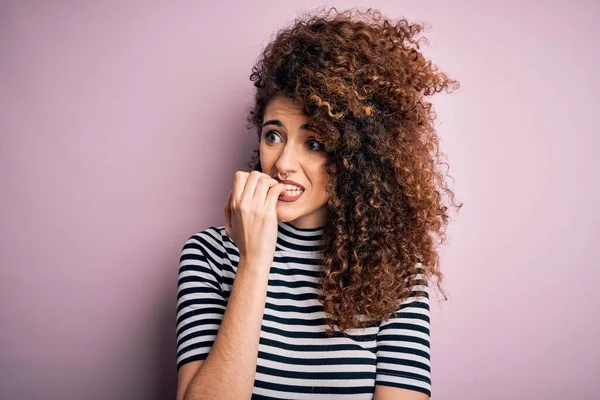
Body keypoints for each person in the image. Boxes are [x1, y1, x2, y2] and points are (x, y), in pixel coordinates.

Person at [175, 6, 461, 400]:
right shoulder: (208, 256)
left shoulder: (396, 274)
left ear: (356, 157)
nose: (283, 164)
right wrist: (254, 262)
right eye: (273, 136)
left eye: (314, 143)